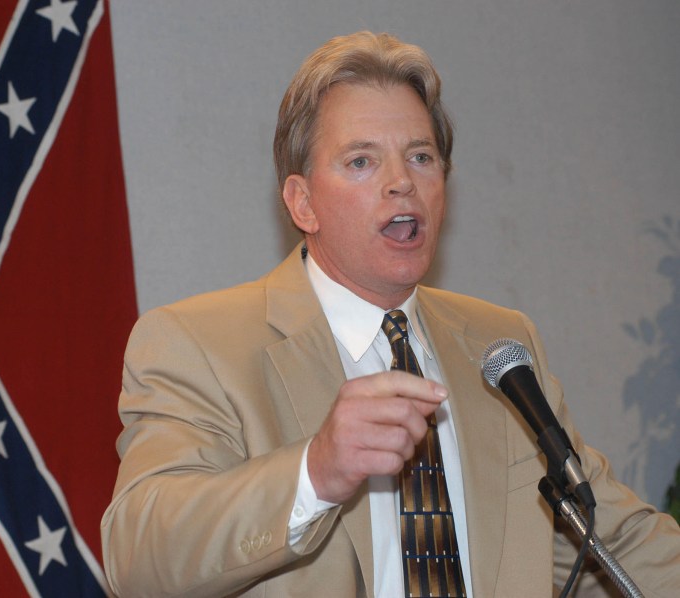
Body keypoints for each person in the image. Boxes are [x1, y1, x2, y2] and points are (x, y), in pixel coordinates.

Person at [100, 31, 680, 597]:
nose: (402, 182)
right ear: (302, 202)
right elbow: (139, 557)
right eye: (361, 161)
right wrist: (316, 472)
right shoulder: (198, 344)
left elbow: (611, 540)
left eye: (421, 156)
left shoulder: (500, 344)